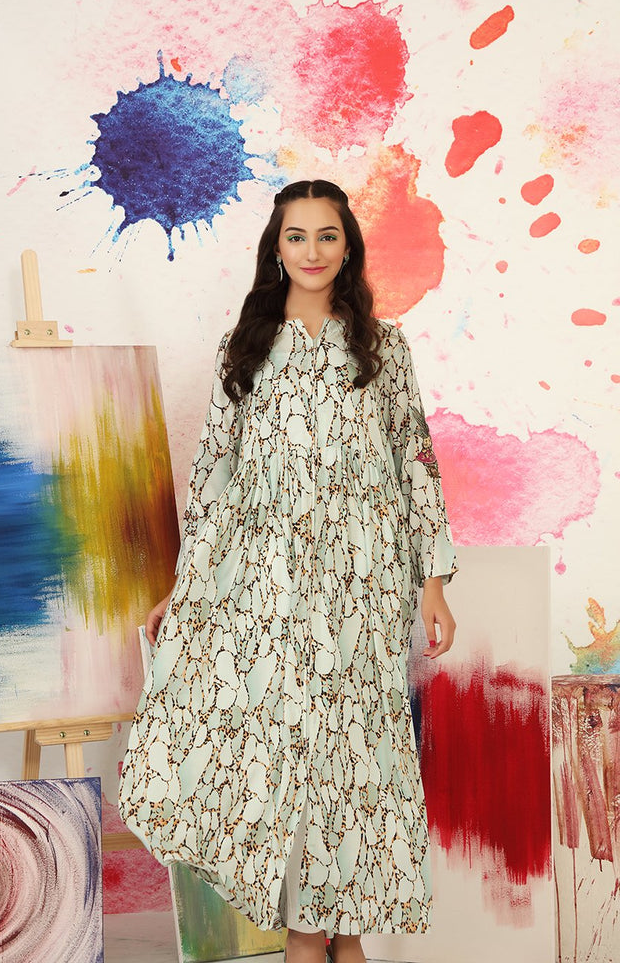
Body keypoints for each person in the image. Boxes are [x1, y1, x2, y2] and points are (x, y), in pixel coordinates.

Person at [119, 179, 457, 963]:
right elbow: (216, 473)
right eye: (297, 236)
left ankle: (345, 935)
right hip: (266, 583)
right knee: (286, 749)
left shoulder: (384, 347)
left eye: (327, 235)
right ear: (276, 248)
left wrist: (432, 581)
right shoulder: (245, 347)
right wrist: (189, 585)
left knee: (359, 753)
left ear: (348, 247)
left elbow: (414, 459)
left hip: (365, 579)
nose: (312, 251)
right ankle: (310, 934)